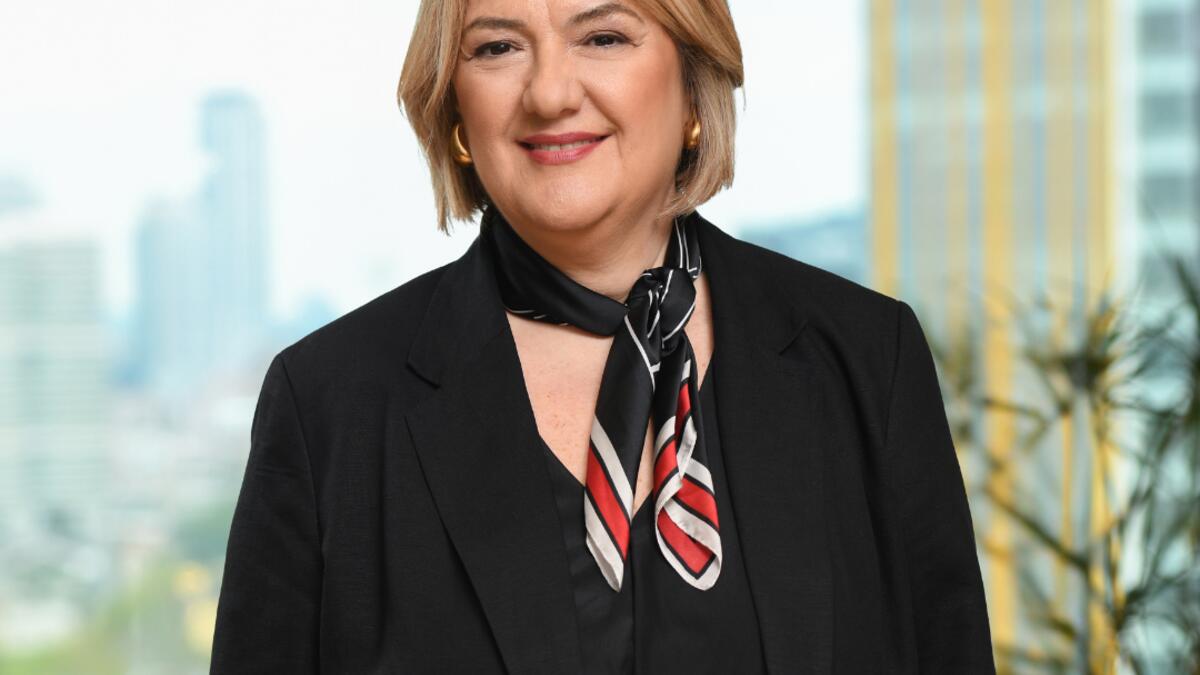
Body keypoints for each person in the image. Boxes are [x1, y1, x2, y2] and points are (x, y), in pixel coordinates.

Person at [209, 0, 995, 672]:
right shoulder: (328, 406)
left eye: (604, 37)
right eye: (497, 48)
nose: (550, 93)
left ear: (692, 83)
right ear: (454, 108)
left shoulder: (868, 359)